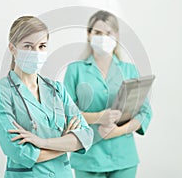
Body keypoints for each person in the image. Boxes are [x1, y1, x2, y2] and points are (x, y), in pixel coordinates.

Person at [0, 16, 93, 178]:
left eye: (42, 46)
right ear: (12, 48)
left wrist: (42, 142)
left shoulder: (57, 89)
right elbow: (18, 151)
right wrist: (66, 142)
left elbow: (86, 136)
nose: (36, 52)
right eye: (28, 46)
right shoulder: (0, 92)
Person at [64, 10, 152, 178]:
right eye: (97, 32)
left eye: (108, 33)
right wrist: (98, 117)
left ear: (116, 36)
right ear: (89, 35)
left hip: (123, 159)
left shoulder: (129, 70)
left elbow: (145, 112)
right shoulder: (75, 70)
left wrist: (118, 131)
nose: (103, 37)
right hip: (88, 158)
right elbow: (67, 113)